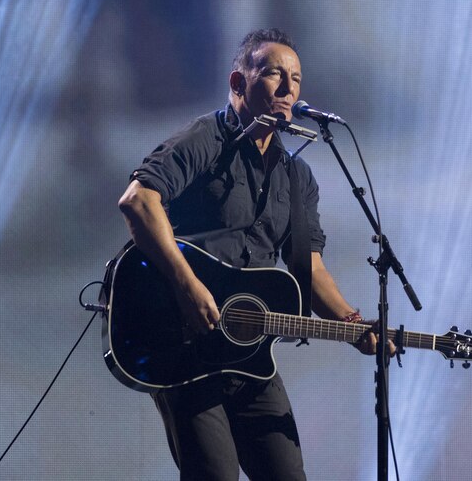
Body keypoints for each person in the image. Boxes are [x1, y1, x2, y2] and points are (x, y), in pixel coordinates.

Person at [118, 28, 390, 481]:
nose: (288, 89)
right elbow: (138, 201)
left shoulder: (296, 176)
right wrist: (189, 288)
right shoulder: (205, 139)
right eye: (273, 74)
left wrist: (353, 325)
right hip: (180, 336)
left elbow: (308, 268)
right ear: (238, 82)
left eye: (297, 79)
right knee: (215, 474)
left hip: (249, 352)